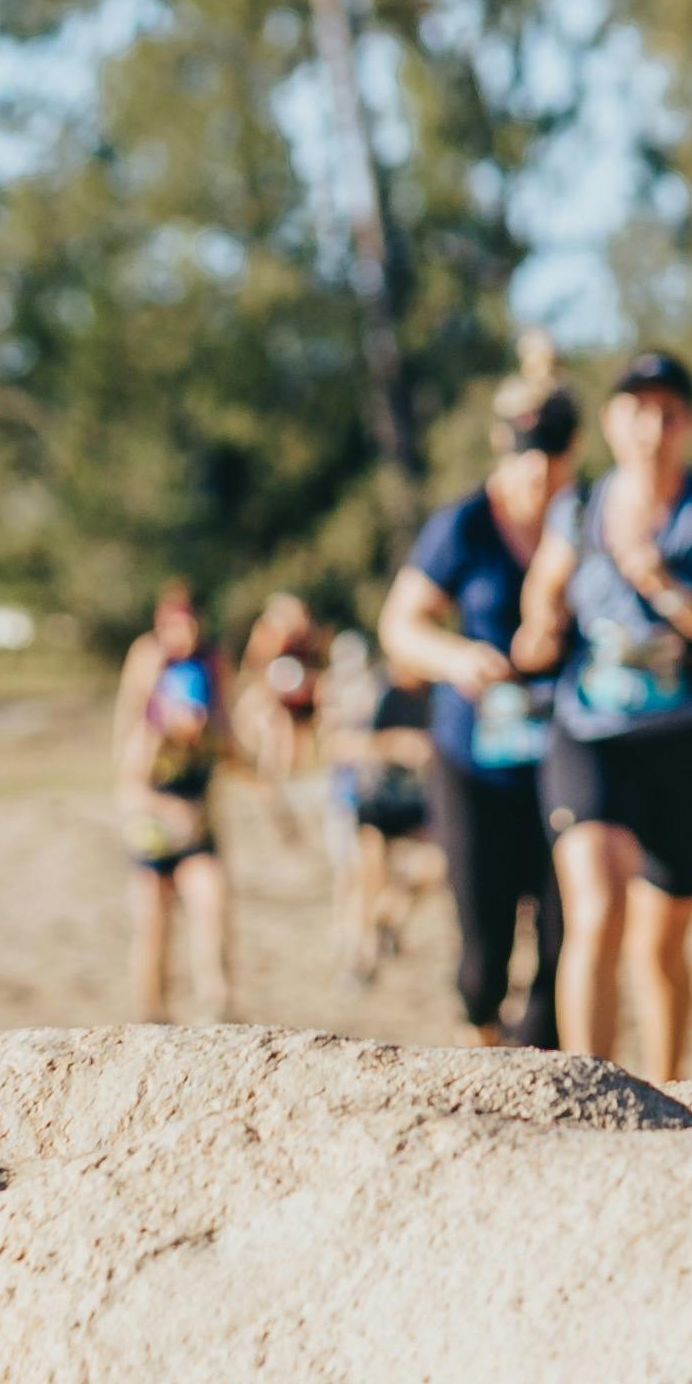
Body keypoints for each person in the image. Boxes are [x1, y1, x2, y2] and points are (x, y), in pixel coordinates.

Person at [511, 348, 692, 1079]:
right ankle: (587, 1096)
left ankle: (666, 1095)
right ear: (610, 421)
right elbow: (542, 592)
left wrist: (671, 595)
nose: (652, 427)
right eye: (636, 409)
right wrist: (540, 626)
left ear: (691, 424)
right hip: (590, 739)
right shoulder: (581, 509)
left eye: (669, 412)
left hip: (689, 748)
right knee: (594, 913)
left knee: (658, 944)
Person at [380, 341, 578, 1044]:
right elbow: (398, 625)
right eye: (526, 451)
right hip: (473, 761)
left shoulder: (589, 520)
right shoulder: (462, 525)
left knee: (566, 942)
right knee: (481, 959)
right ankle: (484, 1050)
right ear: (502, 447)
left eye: (554, 451)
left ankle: (544, 1086)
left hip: (567, 762)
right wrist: (458, 657)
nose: (539, 469)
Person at [115, 581, 236, 1022]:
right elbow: (130, 788)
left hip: (195, 827)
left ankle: (216, 1005)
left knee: (214, 902)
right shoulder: (149, 738)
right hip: (152, 828)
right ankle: (152, 1015)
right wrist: (171, 811)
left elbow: (234, 752)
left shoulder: (209, 715)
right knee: (153, 927)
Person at [321, 629, 439, 984]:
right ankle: (358, 961)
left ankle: (386, 922)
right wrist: (392, 744)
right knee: (367, 879)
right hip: (374, 799)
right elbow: (338, 744)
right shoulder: (375, 692)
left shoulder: (438, 693)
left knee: (435, 867)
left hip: (420, 799)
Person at [235, 590, 332, 858]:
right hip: (273, 703)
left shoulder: (310, 639)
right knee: (274, 733)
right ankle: (272, 791)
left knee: (290, 746)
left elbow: (320, 672)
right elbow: (256, 670)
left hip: (297, 703)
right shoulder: (269, 635)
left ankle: (284, 789)